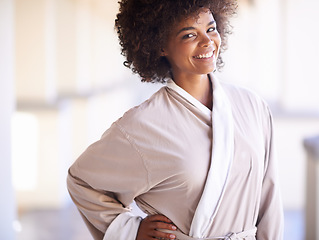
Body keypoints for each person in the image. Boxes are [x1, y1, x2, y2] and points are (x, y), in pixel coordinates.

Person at [67, 0, 284, 239]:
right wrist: (131, 230)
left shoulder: (252, 106)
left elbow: (270, 198)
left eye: (211, 29)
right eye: (189, 35)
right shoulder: (142, 125)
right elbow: (82, 180)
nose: (207, 42)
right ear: (160, 45)